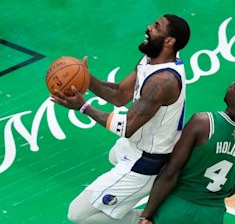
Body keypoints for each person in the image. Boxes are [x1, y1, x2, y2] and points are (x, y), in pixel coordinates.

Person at [51, 14, 190, 223]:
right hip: (132, 147)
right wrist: (84, 78)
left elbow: (127, 127)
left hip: (146, 162)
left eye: (157, 26)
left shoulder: (163, 82)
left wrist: (84, 107)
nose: (149, 27)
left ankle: (148, 220)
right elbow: (119, 95)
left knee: (78, 215)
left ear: (169, 41)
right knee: (114, 154)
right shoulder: (150, 59)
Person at [137, 76, 235, 224]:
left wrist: (147, 214)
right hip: (213, 216)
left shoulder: (203, 123)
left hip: (177, 206)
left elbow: (170, 173)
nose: (231, 84)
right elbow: (233, 189)